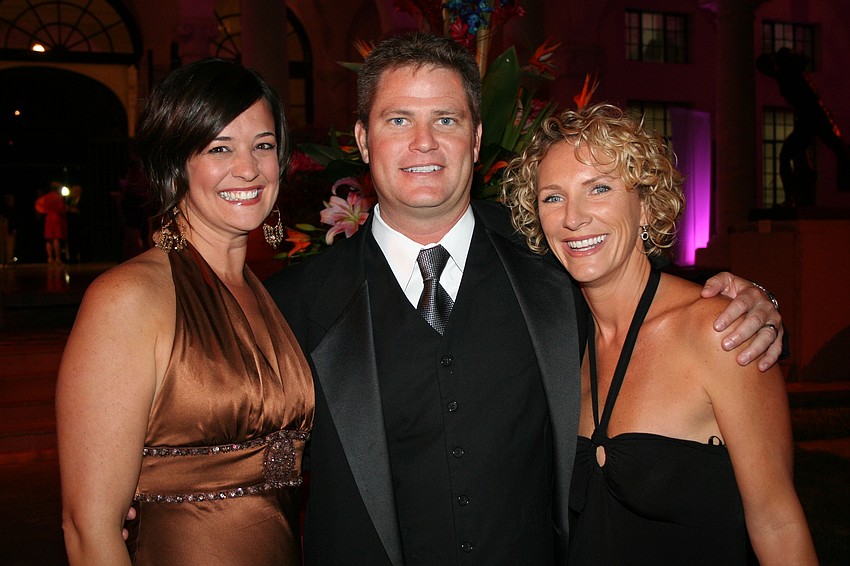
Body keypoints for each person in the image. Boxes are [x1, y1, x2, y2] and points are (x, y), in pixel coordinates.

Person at [264, 32, 783, 565]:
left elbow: (643, 295)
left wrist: (749, 302)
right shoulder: (289, 307)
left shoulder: (556, 264)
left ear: (476, 137)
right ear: (363, 139)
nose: (424, 142)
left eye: (446, 119)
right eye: (398, 120)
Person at [503, 103, 816, 564]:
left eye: (600, 188)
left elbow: (776, 522)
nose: (573, 217)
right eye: (553, 197)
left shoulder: (719, 331)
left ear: (647, 206)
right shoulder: (557, 341)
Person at [56, 58, 314, 566]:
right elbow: (88, 530)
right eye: (220, 148)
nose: (248, 168)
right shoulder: (129, 297)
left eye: (263, 145)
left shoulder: (268, 294)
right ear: (175, 164)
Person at [34, 182, 67, 265]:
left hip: (48, 218)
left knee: (48, 239)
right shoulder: (58, 197)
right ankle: (57, 258)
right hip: (56, 218)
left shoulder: (46, 197)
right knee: (56, 238)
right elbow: (61, 208)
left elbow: (38, 204)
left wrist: (44, 211)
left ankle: (50, 258)